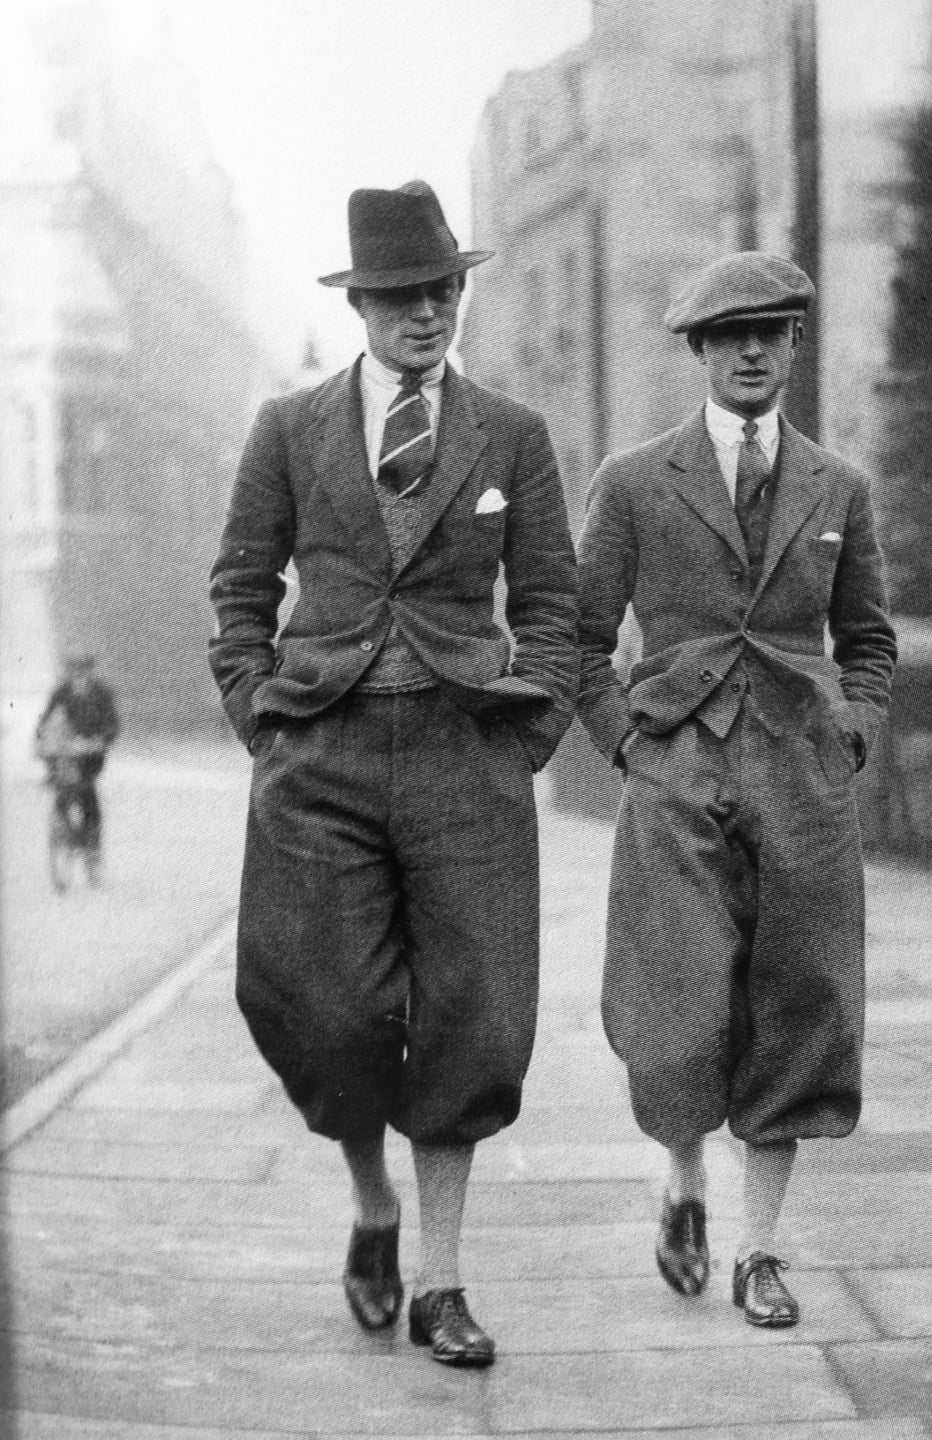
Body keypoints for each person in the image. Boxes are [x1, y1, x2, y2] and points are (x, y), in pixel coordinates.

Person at [209, 181, 577, 1367]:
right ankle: (371, 1197)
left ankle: (443, 1280)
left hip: (467, 756)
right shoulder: (289, 429)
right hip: (324, 750)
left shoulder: (511, 435)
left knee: (475, 1017)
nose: (428, 314)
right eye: (403, 296)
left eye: (444, 292)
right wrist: (262, 718)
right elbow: (241, 590)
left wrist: (531, 732)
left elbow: (557, 606)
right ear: (361, 303)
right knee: (328, 1011)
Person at [576, 252, 896, 1327]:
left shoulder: (838, 487)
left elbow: (870, 639)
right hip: (674, 766)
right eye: (731, 336)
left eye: (773, 333)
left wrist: (850, 729)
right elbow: (579, 639)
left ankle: (762, 1251)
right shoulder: (632, 482)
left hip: (801, 778)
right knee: (675, 1008)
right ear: (701, 352)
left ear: (795, 346)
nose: (754, 351)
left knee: (799, 1003)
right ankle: (681, 1184)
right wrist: (625, 741)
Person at [35, 652, 120, 882]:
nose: (79, 674)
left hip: (91, 753)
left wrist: (103, 739)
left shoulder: (102, 693)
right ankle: (61, 831)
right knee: (62, 790)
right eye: (75, 669)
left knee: (88, 794)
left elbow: (112, 723)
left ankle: (92, 848)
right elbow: (46, 719)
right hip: (64, 753)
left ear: (91, 671)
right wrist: (41, 738)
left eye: (84, 669)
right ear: (69, 671)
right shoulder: (61, 692)